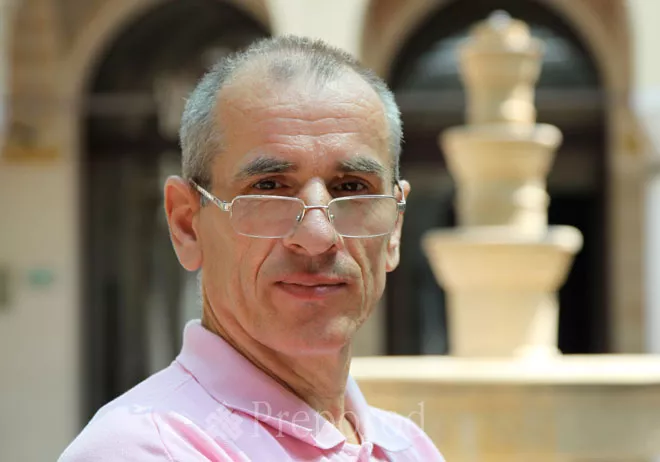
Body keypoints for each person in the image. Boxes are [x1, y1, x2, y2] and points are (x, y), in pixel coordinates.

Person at [59, 35, 445, 461]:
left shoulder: (408, 446)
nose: (317, 235)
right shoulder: (145, 448)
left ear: (394, 229)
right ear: (186, 225)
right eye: (270, 187)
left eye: (352, 188)